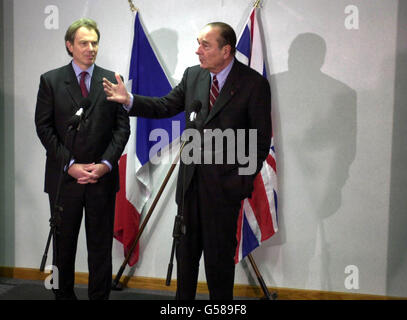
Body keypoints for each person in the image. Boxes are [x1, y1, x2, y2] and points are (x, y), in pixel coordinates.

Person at [103, 22, 271, 300]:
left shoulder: (253, 84)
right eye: (198, 43)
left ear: (226, 50)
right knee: (186, 258)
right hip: (190, 186)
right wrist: (129, 99)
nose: (198, 51)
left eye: (205, 45)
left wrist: (238, 184)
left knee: (218, 265)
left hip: (224, 191)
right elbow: (165, 106)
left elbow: (259, 142)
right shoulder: (194, 76)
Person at [35, 18, 130, 300]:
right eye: (84, 43)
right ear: (69, 46)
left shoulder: (112, 81)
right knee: (63, 248)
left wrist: (105, 165)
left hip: (102, 179)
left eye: (95, 42)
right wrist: (71, 166)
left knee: (100, 248)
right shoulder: (51, 80)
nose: (91, 48)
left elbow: (121, 129)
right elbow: (44, 128)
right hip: (65, 180)